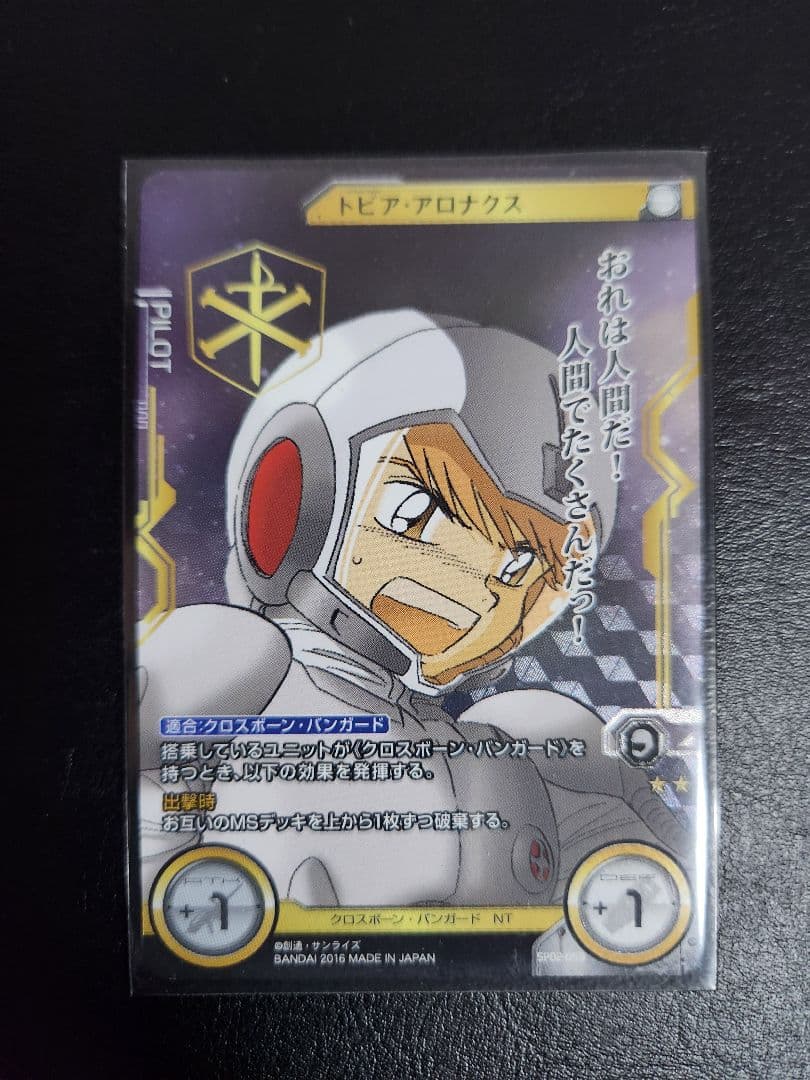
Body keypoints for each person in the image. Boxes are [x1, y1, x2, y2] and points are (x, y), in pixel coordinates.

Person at [137, 310, 686, 908]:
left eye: (521, 565)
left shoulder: (522, 748)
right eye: (416, 512)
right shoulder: (235, 668)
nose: (472, 580)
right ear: (296, 495)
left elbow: (642, 912)